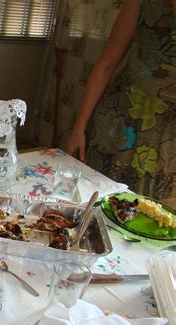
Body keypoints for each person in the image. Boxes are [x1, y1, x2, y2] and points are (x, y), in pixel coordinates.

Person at [66, 0, 175, 207]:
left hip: (168, 138)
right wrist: (78, 127)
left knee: (154, 214)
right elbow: (106, 64)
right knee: (96, 200)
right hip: (121, 121)